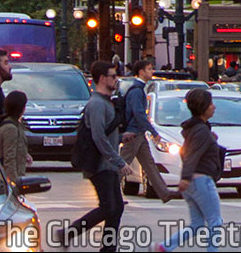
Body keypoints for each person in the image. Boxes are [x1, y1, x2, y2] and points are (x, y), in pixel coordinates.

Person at [58, 60, 132, 253]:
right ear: (102, 79)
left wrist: (123, 137)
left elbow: (106, 134)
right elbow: (98, 137)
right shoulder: (97, 104)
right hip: (100, 165)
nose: (116, 80)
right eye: (113, 76)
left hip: (108, 165)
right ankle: (69, 233)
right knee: (109, 207)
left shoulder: (106, 102)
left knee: (117, 208)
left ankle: (108, 248)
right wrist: (119, 161)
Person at [156, 86, 225, 252]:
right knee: (215, 221)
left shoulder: (196, 129)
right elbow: (191, 155)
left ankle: (165, 247)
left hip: (194, 182)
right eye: (211, 104)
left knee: (197, 224)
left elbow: (185, 152)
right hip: (202, 181)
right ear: (203, 107)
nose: (214, 107)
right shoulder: (200, 130)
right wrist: (185, 177)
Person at [120, 56, 174, 201]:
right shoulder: (137, 91)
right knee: (122, 164)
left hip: (139, 133)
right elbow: (138, 114)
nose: (152, 71)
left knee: (149, 164)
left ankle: (164, 192)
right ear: (141, 72)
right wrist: (153, 131)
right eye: (149, 69)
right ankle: (107, 192)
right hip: (134, 133)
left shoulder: (138, 89)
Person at [0, 90, 30, 183]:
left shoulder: (16, 125)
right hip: (12, 180)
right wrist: (14, 184)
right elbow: (9, 159)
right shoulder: (11, 128)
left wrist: (26, 155)